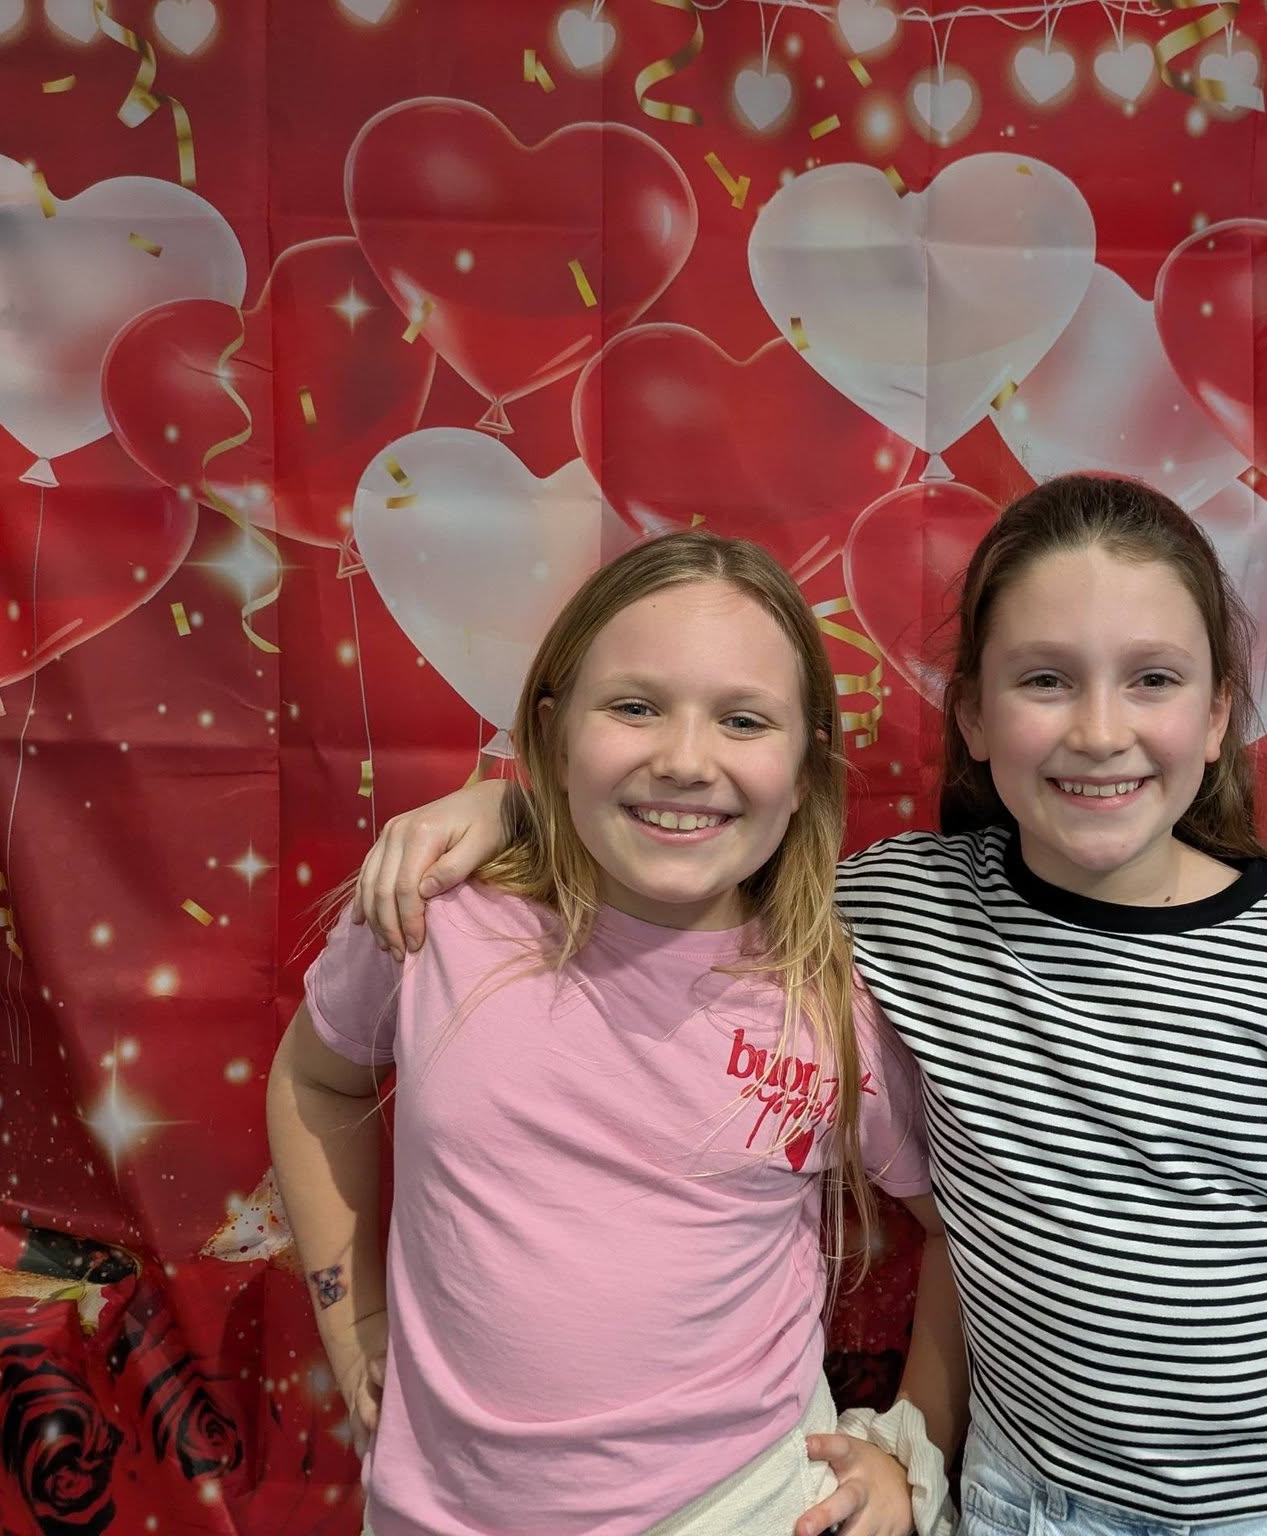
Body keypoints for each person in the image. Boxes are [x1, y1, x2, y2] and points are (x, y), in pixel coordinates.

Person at [352, 474, 1267, 1535]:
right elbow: (694, 849)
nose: (1100, 731)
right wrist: (512, 811)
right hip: (1014, 1500)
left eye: (1152, 679)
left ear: (1216, 714)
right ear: (973, 717)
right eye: (1045, 680)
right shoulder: (902, 908)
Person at [268, 531, 965, 1536]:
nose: (683, 760)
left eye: (742, 719)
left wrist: (910, 1447)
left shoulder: (830, 1005)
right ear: (553, 733)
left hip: (746, 1507)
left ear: (806, 767)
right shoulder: (435, 920)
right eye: (634, 707)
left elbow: (960, 1227)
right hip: (434, 1512)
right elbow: (315, 1080)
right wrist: (356, 1322)